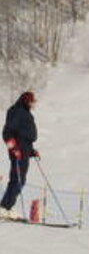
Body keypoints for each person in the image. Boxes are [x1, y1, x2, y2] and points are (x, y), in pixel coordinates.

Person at [2, 91, 38, 220]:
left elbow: (24, 136)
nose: (34, 104)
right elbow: (7, 133)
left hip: (24, 151)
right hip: (18, 152)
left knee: (20, 180)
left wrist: (31, 150)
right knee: (17, 180)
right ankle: (4, 207)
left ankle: (6, 207)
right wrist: (14, 148)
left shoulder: (25, 113)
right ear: (26, 101)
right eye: (32, 102)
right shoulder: (17, 112)